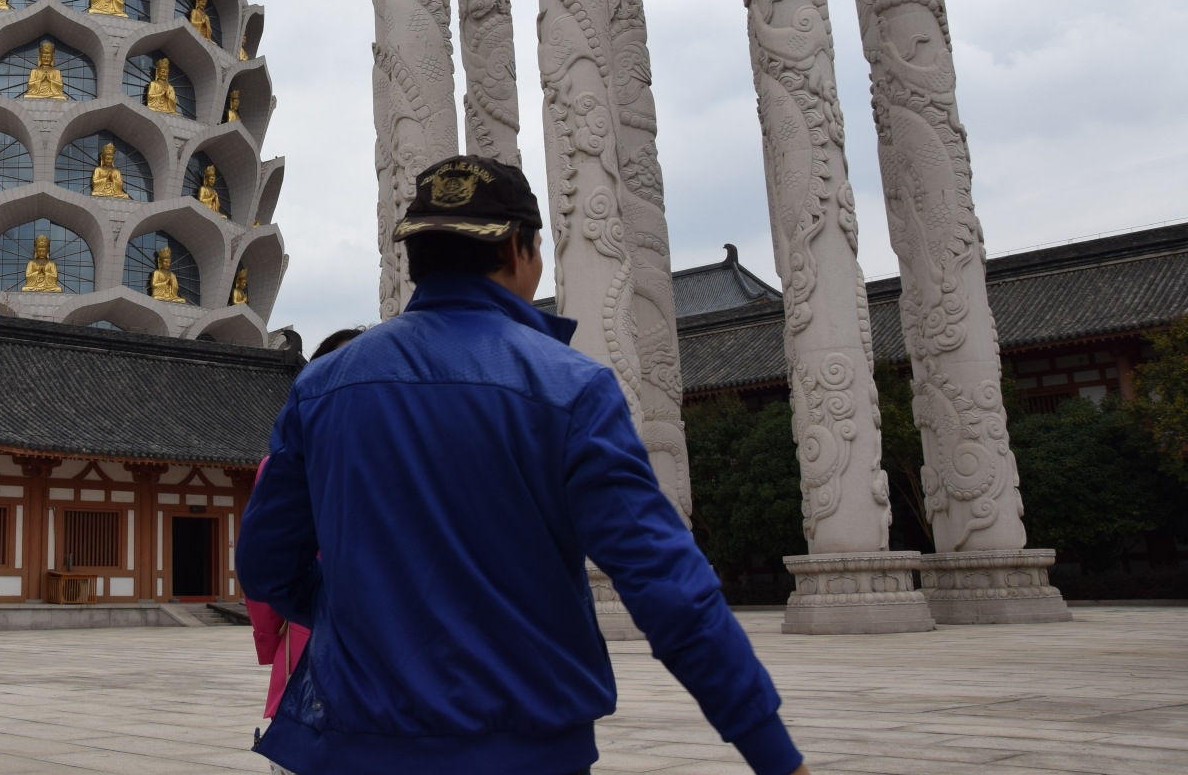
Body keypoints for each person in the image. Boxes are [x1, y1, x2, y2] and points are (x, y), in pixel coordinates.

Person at [239, 155, 808, 775]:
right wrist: (773, 753)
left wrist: (350, 612)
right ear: (519, 248)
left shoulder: (322, 386)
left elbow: (266, 565)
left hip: (354, 742)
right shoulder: (570, 387)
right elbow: (666, 584)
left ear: (415, 257)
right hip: (528, 747)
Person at [248, 328, 361, 729]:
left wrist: (269, 637)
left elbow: (266, 563)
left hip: (317, 619)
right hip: (325, 622)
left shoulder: (285, 463)